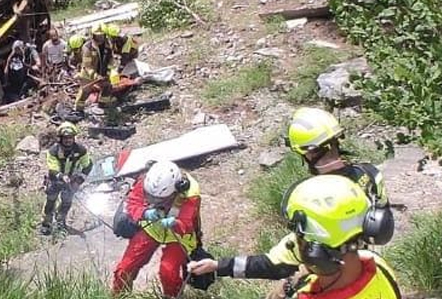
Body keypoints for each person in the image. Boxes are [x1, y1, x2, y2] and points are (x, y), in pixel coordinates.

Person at [182, 107, 394, 289]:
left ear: (307, 153)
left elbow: (276, 263)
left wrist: (219, 266)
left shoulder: (315, 203)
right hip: (369, 270)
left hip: (330, 281)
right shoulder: (372, 175)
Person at [189, 175, 402, 299]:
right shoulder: (377, 265)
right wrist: (218, 265)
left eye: (300, 236)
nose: (293, 241)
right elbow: (274, 263)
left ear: (316, 253)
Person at [112, 160, 202, 298]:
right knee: (124, 269)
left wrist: (175, 223)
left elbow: (187, 223)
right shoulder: (147, 181)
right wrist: (144, 213)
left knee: (168, 271)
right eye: (151, 197)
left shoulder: (190, 194)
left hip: (179, 235)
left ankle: (172, 296)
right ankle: (118, 296)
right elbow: (132, 203)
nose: (154, 202)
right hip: (152, 228)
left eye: (159, 199)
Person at [40, 122, 92, 235]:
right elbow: (53, 169)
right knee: (50, 202)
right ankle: (46, 224)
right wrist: (62, 176)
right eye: (65, 138)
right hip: (55, 181)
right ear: (60, 138)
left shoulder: (81, 150)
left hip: (72, 181)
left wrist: (79, 181)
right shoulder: (53, 151)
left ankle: (60, 221)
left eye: (70, 138)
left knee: (66, 203)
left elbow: (88, 165)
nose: (68, 140)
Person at [71, 25, 118, 118]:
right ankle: (78, 110)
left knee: (107, 87)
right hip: (88, 74)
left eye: (102, 35)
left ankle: (102, 105)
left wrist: (108, 71)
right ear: (93, 35)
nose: (100, 37)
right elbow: (87, 66)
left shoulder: (108, 44)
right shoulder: (87, 47)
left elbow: (111, 59)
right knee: (85, 91)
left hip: (103, 72)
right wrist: (95, 76)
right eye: (97, 35)